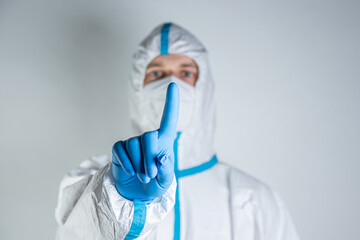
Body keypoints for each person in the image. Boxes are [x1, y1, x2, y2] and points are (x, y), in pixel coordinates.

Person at [55, 22, 300, 240]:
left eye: (186, 73)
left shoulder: (252, 200)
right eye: (157, 73)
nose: (172, 84)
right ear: (137, 88)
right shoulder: (95, 181)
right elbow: (76, 229)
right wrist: (123, 204)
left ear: (204, 88)